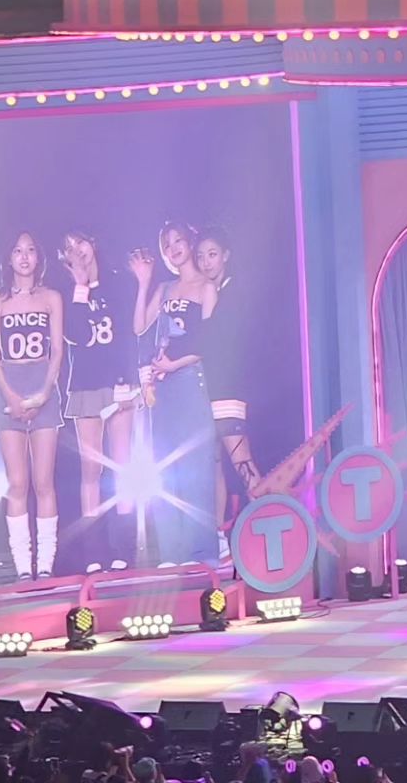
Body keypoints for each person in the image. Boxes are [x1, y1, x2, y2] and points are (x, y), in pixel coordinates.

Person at [131, 222, 218, 565]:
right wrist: (143, 283)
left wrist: (174, 364)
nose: (173, 248)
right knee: (167, 467)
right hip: (163, 386)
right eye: (166, 245)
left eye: (178, 241)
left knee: (197, 467)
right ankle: (171, 552)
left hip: (189, 379)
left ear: (190, 243)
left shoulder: (206, 287)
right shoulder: (165, 288)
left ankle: (201, 553)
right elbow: (140, 326)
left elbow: (209, 342)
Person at [0, 233, 65, 578]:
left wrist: (45, 392)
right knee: (17, 482)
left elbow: (57, 350)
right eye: (18, 250)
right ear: (9, 257)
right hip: (9, 390)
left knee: (44, 481)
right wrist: (11, 396)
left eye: (31, 250)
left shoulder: (51, 298)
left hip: (43, 387)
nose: (24, 256)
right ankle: (22, 566)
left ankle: (45, 564)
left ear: (38, 258)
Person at [60, 230, 140, 571]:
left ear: (93, 243)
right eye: (68, 248)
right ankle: (93, 551)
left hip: (118, 381)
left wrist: (125, 379)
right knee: (90, 468)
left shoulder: (118, 282)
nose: (77, 250)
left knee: (122, 464)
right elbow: (77, 335)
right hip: (86, 383)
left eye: (80, 242)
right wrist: (80, 286)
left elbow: (127, 334)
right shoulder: (66, 293)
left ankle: (125, 548)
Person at [196, 226, 262, 538]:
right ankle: (218, 535)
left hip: (228, 386)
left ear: (225, 255)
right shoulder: (212, 291)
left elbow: (216, 340)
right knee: (215, 465)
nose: (206, 262)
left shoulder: (235, 292)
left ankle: (268, 522)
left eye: (212, 254)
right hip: (210, 387)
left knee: (241, 462)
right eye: (201, 256)